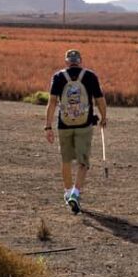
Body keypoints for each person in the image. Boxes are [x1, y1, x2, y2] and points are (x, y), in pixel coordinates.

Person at [45, 49, 107, 214]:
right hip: (84, 125)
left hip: (64, 124)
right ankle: (75, 193)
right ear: (80, 61)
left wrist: (48, 126)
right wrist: (104, 117)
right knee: (83, 162)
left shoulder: (58, 77)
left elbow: (51, 103)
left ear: (67, 61)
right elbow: (100, 100)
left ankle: (67, 192)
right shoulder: (90, 76)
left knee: (65, 160)